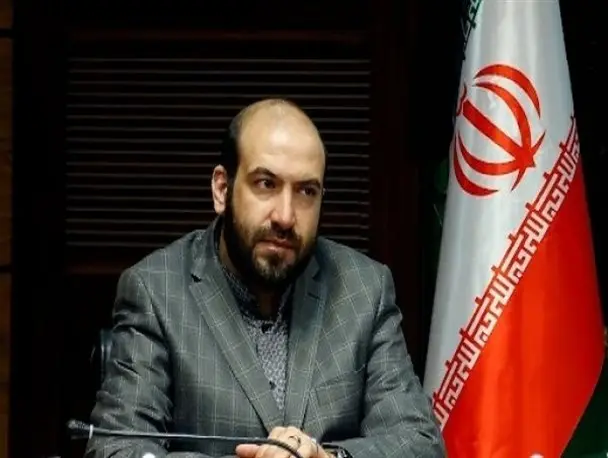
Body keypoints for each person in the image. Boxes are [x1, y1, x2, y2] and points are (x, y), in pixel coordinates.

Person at [85, 98, 446, 458]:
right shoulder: (156, 290)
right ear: (222, 189)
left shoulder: (364, 289)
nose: (285, 216)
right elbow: (116, 448)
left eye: (306, 191)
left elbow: (419, 444)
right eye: (265, 184)